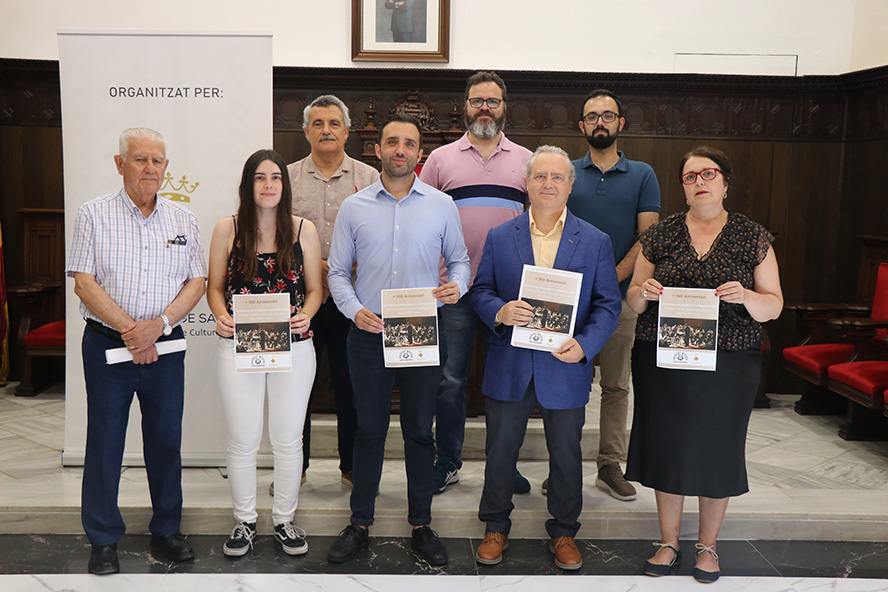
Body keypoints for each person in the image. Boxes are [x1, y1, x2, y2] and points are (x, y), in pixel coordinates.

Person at [624, 146, 783, 583]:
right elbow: (633, 298)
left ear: (725, 182)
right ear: (683, 186)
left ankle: (708, 546)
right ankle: (668, 541)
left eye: (708, 174)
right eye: (691, 176)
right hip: (665, 359)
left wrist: (747, 296)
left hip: (729, 361)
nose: (700, 182)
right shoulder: (662, 233)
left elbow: (774, 305)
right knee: (668, 447)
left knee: (718, 450)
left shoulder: (753, 236)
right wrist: (646, 292)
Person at [325, 114, 470, 566]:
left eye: (409, 144)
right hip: (369, 333)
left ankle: (421, 524)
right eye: (392, 143)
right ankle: (360, 522)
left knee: (417, 432)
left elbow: (461, 262)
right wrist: (354, 311)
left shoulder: (442, 204)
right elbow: (335, 273)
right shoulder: (355, 207)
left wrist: (458, 287)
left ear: (420, 154)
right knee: (368, 430)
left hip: (422, 331)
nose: (400, 150)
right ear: (378, 150)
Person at [469, 145, 621, 570]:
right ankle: (496, 526)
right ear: (527, 183)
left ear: (571, 185)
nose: (548, 184)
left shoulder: (595, 241)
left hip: (565, 364)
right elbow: (480, 291)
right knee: (500, 450)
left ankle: (565, 531)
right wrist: (499, 311)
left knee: (567, 453)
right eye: (540, 177)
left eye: (557, 177)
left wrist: (586, 345)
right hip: (510, 363)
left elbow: (608, 305)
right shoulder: (501, 236)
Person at [66, 128, 206, 575]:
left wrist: (158, 327)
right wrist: (132, 331)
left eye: (158, 161)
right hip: (109, 347)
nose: (150, 168)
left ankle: (166, 530)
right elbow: (84, 282)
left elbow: (197, 282)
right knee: (105, 442)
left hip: (167, 347)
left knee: (166, 441)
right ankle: (104, 538)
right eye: (140, 159)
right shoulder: (93, 215)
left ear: (167, 167)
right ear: (119, 163)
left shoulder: (183, 220)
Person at [419, 70, 533, 495]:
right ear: (465, 107)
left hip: (509, 291)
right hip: (454, 289)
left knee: (509, 381)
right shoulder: (441, 160)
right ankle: (447, 459)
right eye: (476, 101)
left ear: (505, 108)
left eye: (493, 101)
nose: (484, 108)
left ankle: (504, 463)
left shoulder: (527, 160)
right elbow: (420, 216)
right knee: (450, 380)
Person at [207, 149, 322, 557]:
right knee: (242, 439)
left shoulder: (303, 229)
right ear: (248, 184)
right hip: (238, 345)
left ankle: (285, 521)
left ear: (284, 185)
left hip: (294, 346)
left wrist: (306, 315)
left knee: (289, 439)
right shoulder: (228, 228)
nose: (269, 184)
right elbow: (215, 288)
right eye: (260, 177)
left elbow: (315, 291)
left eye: (275, 177)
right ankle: (245, 521)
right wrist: (220, 315)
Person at [565, 89, 660, 502]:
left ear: (622, 123)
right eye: (592, 116)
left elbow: (648, 237)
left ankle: (609, 464)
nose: (599, 122)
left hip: (622, 299)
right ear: (581, 125)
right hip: (568, 300)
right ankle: (564, 463)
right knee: (568, 382)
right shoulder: (565, 172)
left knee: (617, 385)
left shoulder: (642, 174)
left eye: (608, 115)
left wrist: (608, 280)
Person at [287, 95, 379, 490]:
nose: (326, 130)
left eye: (334, 123)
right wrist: (311, 269)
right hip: (297, 301)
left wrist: (341, 269)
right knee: (295, 390)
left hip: (351, 299)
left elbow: (380, 236)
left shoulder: (370, 178)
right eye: (318, 123)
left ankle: (352, 468)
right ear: (306, 131)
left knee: (351, 388)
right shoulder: (285, 178)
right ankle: (296, 468)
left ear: (347, 130)